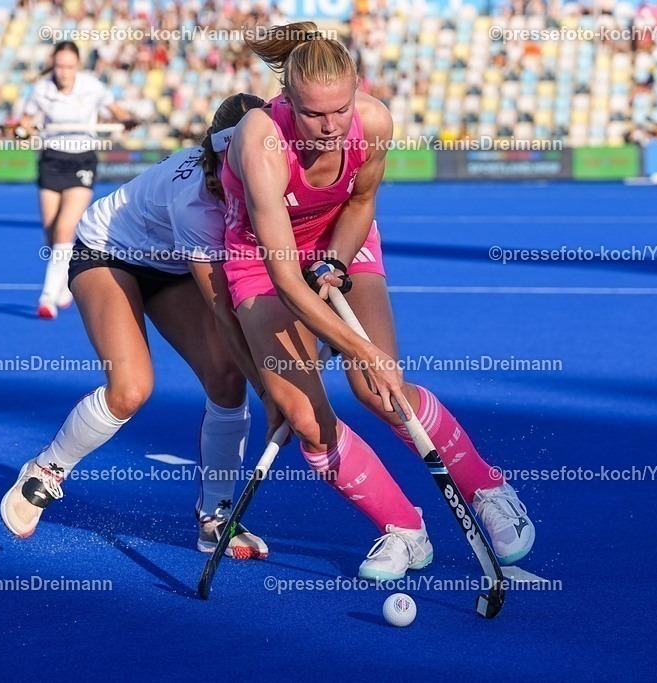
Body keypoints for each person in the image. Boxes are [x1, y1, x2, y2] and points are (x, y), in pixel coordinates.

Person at [220, 22, 534, 581]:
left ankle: (488, 489)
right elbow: (287, 279)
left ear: (356, 89)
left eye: (340, 110)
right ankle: (404, 531)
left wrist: (337, 263)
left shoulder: (375, 121)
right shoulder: (259, 140)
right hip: (263, 259)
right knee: (305, 416)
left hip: (342, 237)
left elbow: (361, 201)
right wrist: (362, 348)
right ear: (287, 100)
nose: (330, 126)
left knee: (381, 392)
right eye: (315, 114)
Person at [1, 94, 277, 560]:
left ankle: (215, 517)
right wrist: (274, 393)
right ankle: (47, 468)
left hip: (169, 266)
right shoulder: (197, 203)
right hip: (109, 252)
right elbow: (226, 312)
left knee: (228, 379)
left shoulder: (264, 173)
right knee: (130, 389)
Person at [19, 41, 133, 318]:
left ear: (77, 66)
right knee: (51, 232)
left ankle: (47, 297)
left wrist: (126, 120)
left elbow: (116, 111)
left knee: (65, 228)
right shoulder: (42, 89)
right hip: (51, 160)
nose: (64, 72)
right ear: (53, 65)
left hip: (82, 160)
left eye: (69, 66)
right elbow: (25, 119)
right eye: (59, 66)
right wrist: (22, 128)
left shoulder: (91, 87)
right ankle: (63, 285)